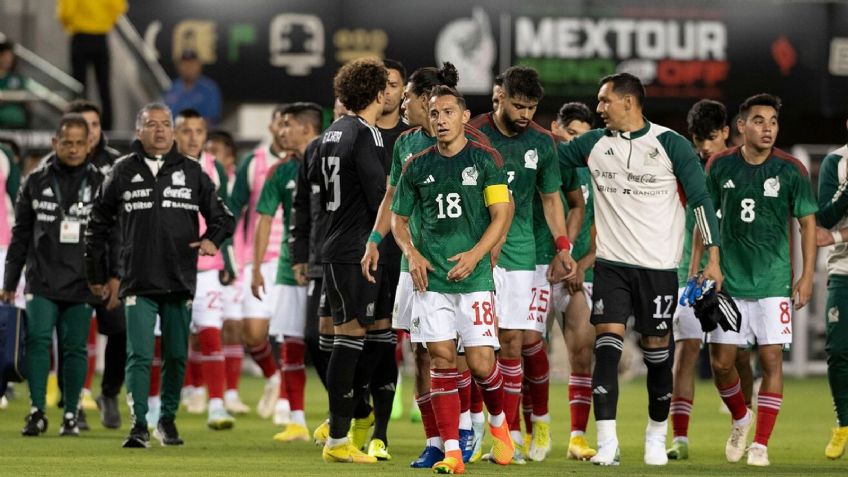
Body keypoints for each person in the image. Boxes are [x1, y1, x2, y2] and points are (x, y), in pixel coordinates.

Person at [557, 73, 722, 466]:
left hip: (658, 269)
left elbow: (700, 200)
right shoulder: (594, 144)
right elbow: (546, 159)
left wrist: (713, 257)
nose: (598, 109)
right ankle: (608, 443)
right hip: (611, 265)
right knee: (607, 350)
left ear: (629, 103)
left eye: (604, 101)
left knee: (657, 357)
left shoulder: (670, 144)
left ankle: (654, 436)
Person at [85, 102, 234, 448]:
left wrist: (213, 240)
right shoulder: (121, 171)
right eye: (151, 124)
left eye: (165, 124)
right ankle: (139, 424)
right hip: (137, 279)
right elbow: (97, 224)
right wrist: (99, 274)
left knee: (177, 354)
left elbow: (223, 216)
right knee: (139, 354)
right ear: (139, 131)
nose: (160, 130)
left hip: (179, 279)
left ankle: (166, 420)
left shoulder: (193, 171)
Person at [391, 85, 515, 474]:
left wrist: (477, 255)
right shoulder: (417, 165)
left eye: (447, 112)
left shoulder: (486, 160)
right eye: (433, 113)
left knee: (480, 365)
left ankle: (498, 423)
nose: (440, 119)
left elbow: (500, 215)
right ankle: (452, 452)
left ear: (464, 117)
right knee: (441, 362)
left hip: (475, 279)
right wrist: (411, 253)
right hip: (431, 281)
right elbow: (399, 219)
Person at [691, 93, 817, 467]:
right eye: (759, 121)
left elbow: (807, 223)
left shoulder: (792, 169)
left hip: (774, 281)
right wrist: (700, 265)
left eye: (774, 121)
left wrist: (807, 275)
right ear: (741, 126)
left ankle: (761, 443)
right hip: (728, 280)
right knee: (723, 363)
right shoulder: (719, 164)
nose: (768, 128)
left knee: (771, 358)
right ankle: (741, 418)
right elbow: (705, 216)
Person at [468, 66, 576, 464]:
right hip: (476, 250)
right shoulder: (474, 132)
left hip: (520, 255)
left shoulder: (543, 143)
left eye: (532, 107)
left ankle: (507, 433)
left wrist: (562, 246)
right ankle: (474, 430)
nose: (526, 113)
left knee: (514, 343)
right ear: (500, 97)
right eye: (519, 105)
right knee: (474, 350)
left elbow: (551, 199)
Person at [2, 113, 103, 436]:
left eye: (79, 143)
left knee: (74, 348)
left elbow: (112, 236)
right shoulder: (35, 181)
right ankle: (36, 411)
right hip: (41, 279)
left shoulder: (101, 183)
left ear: (89, 145)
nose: (73, 149)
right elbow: (20, 236)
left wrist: (111, 276)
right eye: (66, 143)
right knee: (38, 341)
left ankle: (71, 414)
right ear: (54, 143)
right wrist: (8, 282)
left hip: (82, 280)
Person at [667, 99, 755, 460]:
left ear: (726, 133)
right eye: (697, 139)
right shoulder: (688, 170)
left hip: (734, 277)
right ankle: (681, 438)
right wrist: (693, 266)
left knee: (739, 358)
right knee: (685, 352)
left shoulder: (740, 167)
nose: (703, 146)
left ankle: (743, 417)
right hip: (688, 272)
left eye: (710, 138)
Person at [315, 57, 389, 464]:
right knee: (352, 339)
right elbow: (381, 192)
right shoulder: (367, 133)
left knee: (348, 337)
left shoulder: (331, 132)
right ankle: (339, 439)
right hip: (357, 249)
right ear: (379, 93)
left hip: (332, 245)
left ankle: (339, 432)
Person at [251, 102, 321, 443]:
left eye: (287, 126)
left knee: (337, 344)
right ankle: (296, 420)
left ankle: (350, 417)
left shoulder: (333, 163)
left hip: (329, 266)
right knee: (291, 343)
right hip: (288, 270)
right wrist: (256, 267)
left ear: (307, 129)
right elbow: (264, 219)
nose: (280, 131)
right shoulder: (280, 171)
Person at [228, 105, 294, 422]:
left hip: (289, 259)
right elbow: (233, 208)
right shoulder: (253, 163)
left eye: (289, 124)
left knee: (284, 333)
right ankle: (273, 377)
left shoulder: (306, 162)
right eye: (279, 124)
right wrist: (231, 254)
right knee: (253, 334)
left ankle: (285, 401)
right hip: (256, 259)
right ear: (271, 128)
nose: (283, 130)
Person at [172, 108, 236, 430]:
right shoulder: (162, 168)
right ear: (174, 133)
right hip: (167, 267)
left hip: (206, 268)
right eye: (186, 131)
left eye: (199, 131)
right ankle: (154, 408)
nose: (194, 137)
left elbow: (224, 216)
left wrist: (223, 254)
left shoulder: (214, 168)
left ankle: (216, 406)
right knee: (165, 342)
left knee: (211, 336)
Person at [65, 98, 125, 430]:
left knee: (119, 331)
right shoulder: (52, 167)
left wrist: (117, 272)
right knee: (71, 337)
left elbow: (122, 224)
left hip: (108, 266)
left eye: (95, 125)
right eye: (83, 125)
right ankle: (73, 404)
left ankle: (109, 393)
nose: (89, 132)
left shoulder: (119, 165)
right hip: (69, 270)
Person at [548, 101, 598, 461]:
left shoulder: (597, 174)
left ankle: (577, 437)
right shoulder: (540, 161)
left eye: (583, 137)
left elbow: (605, 230)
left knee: (582, 353)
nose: (576, 143)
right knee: (523, 351)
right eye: (571, 134)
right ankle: (529, 431)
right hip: (539, 267)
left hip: (580, 274)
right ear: (556, 128)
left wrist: (580, 264)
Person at [205, 129, 249, 413]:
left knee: (233, 327)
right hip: (207, 261)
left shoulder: (238, 186)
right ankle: (196, 388)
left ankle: (231, 392)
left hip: (236, 262)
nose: (212, 156)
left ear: (230, 157)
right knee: (203, 329)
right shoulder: (200, 180)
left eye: (217, 151)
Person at [814, 117, 848, 460]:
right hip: (844, 269)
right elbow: (824, 217)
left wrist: (838, 235)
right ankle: (843, 424)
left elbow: (831, 232)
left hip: (838, 249)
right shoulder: (836, 162)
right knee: (838, 350)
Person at [57, 0, 126, 130]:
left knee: (79, 85)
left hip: (80, 36)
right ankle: (107, 126)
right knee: (104, 85)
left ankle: (79, 122)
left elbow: (66, 12)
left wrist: (71, 23)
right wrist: (103, 21)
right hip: (100, 37)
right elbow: (119, 7)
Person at [163, 50, 222, 127]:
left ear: (199, 65)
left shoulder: (209, 89)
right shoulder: (171, 88)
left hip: (201, 135)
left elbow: (210, 119)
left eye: (192, 64)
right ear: (178, 66)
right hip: (173, 135)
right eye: (185, 64)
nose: (189, 68)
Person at [0, 38, 29, 129]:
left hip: (17, 126)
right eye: (5, 56)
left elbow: (26, 98)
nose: (8, 60)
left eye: (10, 56)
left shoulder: (17, 78)